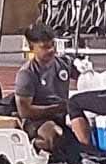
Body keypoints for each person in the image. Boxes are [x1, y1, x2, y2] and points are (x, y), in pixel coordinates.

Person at [14, 22, 98, 153]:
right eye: (45, 47)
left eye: (53, 45)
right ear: (32, 47)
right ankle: (31, 146)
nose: (51, 50)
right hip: (36, 121)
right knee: (55, 134)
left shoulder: (65, 63)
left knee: (83, 135)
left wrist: (88, 71)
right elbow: (25, 112)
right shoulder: (26, 74)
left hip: (62, 116)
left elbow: (89, 80)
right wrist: (58, 108)